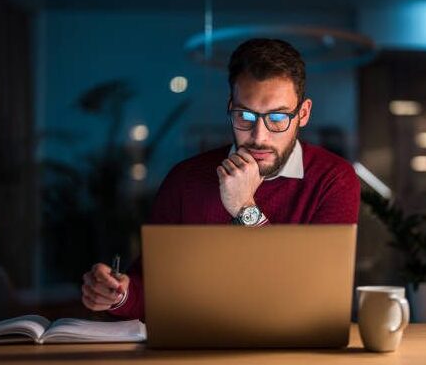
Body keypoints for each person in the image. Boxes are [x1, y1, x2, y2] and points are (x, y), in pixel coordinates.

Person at [81, 38, 360, 319]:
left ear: (303, 114)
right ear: (230, 107)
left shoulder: (334, 179)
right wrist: (118, 294)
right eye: (245, 116)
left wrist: (244, 208)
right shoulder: (185, 180)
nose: (259, 136)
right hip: (197, 353)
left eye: (277, 118)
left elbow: (314, 297)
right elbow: (152, 288)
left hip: (297, 357)